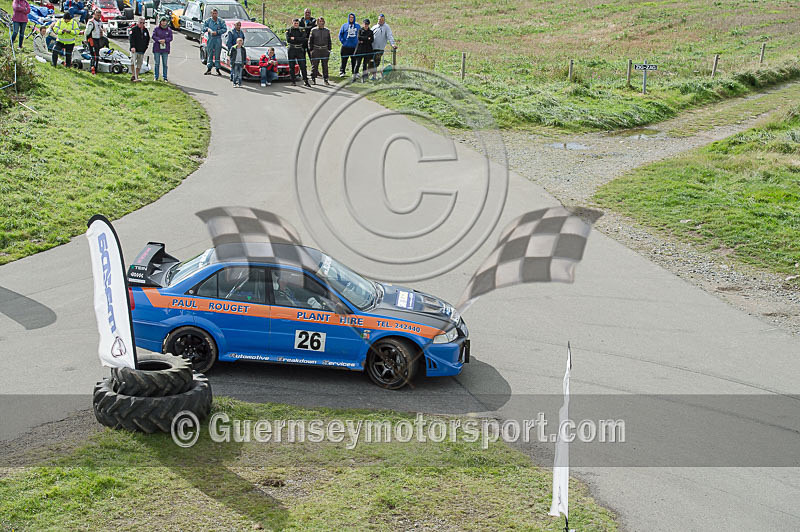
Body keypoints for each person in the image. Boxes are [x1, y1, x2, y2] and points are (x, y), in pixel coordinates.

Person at [371, 13, 396, 79]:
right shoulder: (374, 27)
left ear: (384, 20)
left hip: (380, 48)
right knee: (371, 62)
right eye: (379, 19)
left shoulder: (386, 27)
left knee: (376, 62)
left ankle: (375, 76)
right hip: (372, 48)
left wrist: (392, 44)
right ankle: (373, 75)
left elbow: (389, 36)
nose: (381, 21)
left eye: (382, 20)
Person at [285, 18, 310, 87]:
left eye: (297, 23)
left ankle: (305, 81)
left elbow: (303, 39)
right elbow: (288, 40)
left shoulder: (302, 30)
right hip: (291, 49)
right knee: (291, 66)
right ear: (292, 23)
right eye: (295, 23)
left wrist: (294, 38)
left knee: (303, 66)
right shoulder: (289, 30)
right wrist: (298, 38)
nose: (296, 24)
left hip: (299, 49)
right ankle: (293, 81)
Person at [308, 16, 331, 86]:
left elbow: (329, 41)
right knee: (314, 65)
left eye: (322, 21)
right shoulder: (313, 30)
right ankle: (313, 78)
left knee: (325, 66)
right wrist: (311, 50)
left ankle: (326, 79)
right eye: (320, 21)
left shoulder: (327, 31)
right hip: (316, 49)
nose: (321, 23)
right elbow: (310, 41)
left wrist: (329, 50)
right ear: (317, 22)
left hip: (324, 50)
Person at [203, 8, 225, 75]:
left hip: (218, 39)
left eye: (215, 13)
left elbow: (225, 29)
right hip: (210, 39)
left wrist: (217, 32)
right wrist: (208, 29)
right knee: (210, 54)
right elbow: (203, 28)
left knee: (217, 54)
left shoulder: (221, 21)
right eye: (213, 13)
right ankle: (209, 69)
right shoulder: (208, 21)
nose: (214, 15)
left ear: (217, 14)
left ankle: (217, 69)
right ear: (211, 14)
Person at [151, 16, 173, 82]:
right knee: (157, 63)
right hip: (157, 48)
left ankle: (165, 77)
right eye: (162, 21)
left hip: (165, 49)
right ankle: (156, 77)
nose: (163, 22)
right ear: (160, 22)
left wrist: (165, 40)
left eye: (165, 21)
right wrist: (159, 40)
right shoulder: (156, 29)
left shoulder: (169, 30)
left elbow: (170, 38)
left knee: (165, 64)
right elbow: (153, 36)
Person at [128, 17, 150, 82]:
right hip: (134, 50)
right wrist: (132, 47)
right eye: (140, 22)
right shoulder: (133, 29)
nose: (142, 24)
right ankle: (133, 75)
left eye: (143, 23)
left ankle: (136, 76)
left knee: (139, 64)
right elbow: (131, 39)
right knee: (133, 62)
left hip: (141, 50)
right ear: (138, 22)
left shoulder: (145, 30)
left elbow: (147, 39)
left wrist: (145, 47)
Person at [337, 12, 358, 77]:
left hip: (354, 47)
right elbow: (340, 35)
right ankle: (342, 71)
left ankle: (354, 72)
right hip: (345, 47)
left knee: (354, 60)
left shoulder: (357, 26)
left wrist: (357, 42)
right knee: (344, 60)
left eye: (352, 17)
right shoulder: (344, 26)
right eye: (350, 17)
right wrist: (344, 42)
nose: (351, 19)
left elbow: (360, 34)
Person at [84, 9, 104, 74]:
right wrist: (85, 39)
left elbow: (101, 30)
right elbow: (86, 32)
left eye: (100, 15)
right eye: (97, 15)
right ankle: (92, 68)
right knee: (94, 55)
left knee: (97, 55)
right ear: (94, 15)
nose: (99, 17)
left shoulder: (100, 22)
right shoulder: (91, 22)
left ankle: (96, 68)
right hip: (92, 39)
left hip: (98, 39)